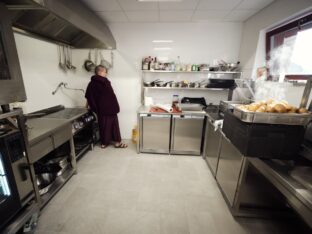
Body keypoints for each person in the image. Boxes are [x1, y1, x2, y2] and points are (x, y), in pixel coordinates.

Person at [85, 65, 127, 149]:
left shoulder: (92, 83)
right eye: (105, 72)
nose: (106, 73)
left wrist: (87, 106)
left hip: (103, 109)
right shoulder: (102, 81)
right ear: (99, 72)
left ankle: (104, 143)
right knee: (114, 126)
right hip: (110, 107)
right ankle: (117, 143)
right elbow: (90, 96)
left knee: (104, 126)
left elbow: (88, 96)